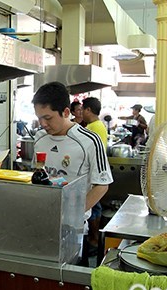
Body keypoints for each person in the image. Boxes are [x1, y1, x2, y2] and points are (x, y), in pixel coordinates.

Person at [32, 82, 113, 266]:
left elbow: (102, 184)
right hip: (41, 222)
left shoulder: (89, 140)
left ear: (66, 112)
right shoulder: (39, 139)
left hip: (72, 229)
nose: (43, 124)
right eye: (39, 118)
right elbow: (37, 175)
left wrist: (72, 214)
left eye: (48, 118)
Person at [81, 97, 108, 254]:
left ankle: (94, 239)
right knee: (96, 208)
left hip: (92, 175)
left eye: (83, 109)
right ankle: (95, 239)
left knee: (92, 208)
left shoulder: (91, 128)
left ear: (88, 110)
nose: (81, 113)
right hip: (96, 172)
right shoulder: (100, 126)